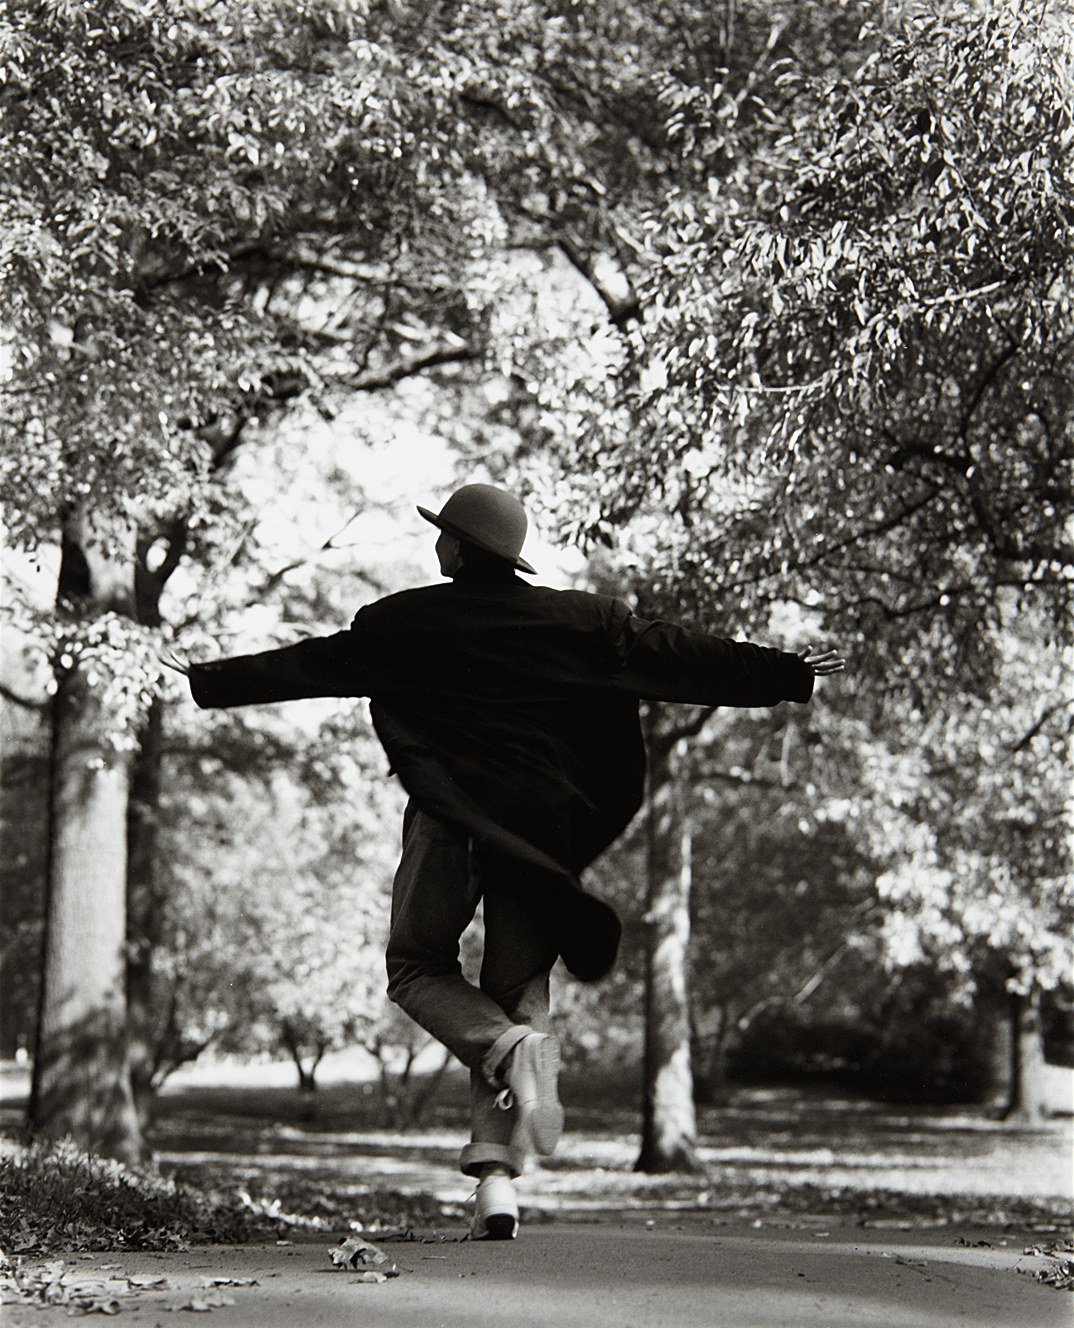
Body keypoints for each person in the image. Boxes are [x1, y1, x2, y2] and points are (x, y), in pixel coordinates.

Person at [167, 483, 844, 1240]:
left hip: (450, 820)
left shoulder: (401, 622)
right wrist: (787, 674)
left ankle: (507, 1072)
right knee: (516, 990)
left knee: (419, 967)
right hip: (538, 839)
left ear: (455, 548)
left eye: (440, 533)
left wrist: (209, 678)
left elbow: (312, 666)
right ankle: (496, 1180)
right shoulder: (582, 620)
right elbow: (676, 655)